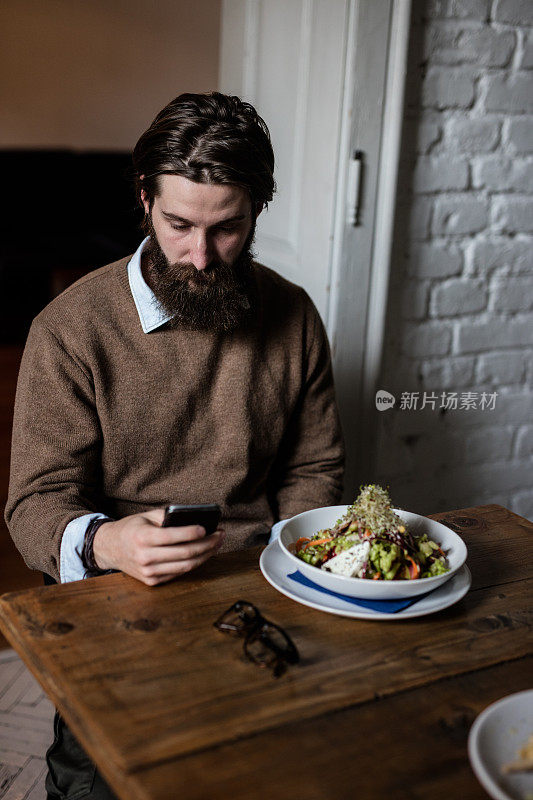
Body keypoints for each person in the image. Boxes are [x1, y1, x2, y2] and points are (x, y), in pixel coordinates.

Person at [5, 92, 345, 798]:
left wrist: (284, 565)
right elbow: (35, 503)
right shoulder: (70, 330)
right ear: (144, 199)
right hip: (113, 591)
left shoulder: (293, 314)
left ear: (258, 208)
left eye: (227, 228)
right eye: (178, 224)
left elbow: (313, 467)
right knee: (98, 777)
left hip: (258, 580)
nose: (200, 255)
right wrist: (106, 543)